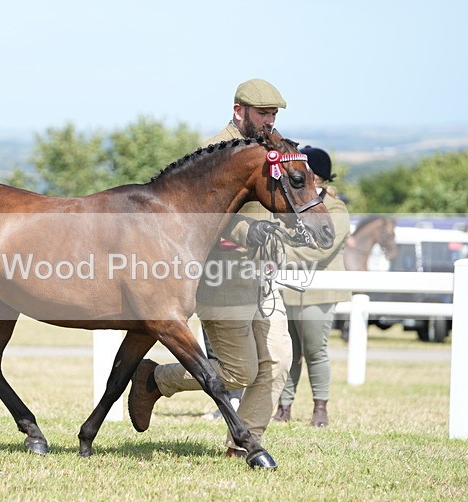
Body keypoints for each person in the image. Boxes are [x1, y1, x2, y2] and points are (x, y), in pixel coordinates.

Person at [128, 79, 294, 457]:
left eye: (274, 114)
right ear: (240, 111)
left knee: (279, 361)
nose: (270, 121)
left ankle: (242, 445)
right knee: (237, 372)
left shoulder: (275, 148)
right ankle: (155, 379)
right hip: (222, 276)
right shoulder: (214, 150)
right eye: (263, 114)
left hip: (262, 276)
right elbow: (198, 217)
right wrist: (249, 229)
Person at [273, 146, 351, 426]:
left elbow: (321, 248)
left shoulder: (335, 209)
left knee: (315, 350)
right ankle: (284, 406)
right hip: (290, 287)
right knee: (289, 350)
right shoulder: (297, 207)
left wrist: (280, 255)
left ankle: (320, 408)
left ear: (315, 177)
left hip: (320, 290)